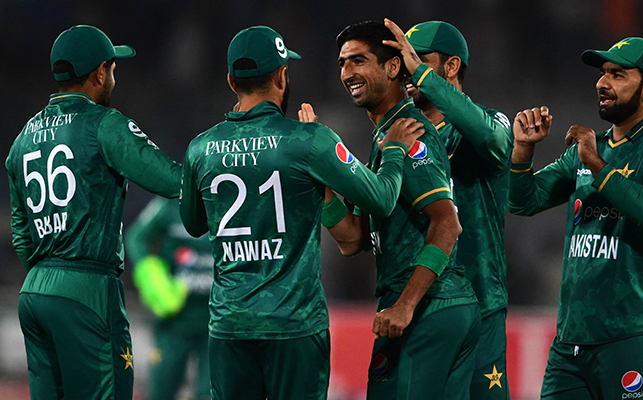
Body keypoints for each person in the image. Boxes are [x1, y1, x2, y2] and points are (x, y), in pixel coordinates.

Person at [179, 25, 423, 400]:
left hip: (229, 325)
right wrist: (393, 151)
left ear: (231, 81)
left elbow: (193, 224)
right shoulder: (308, 141)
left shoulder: (200, 148)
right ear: (281, 75)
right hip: (294, 325)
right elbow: (383, 198)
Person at [508, 38, 643, 400]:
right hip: (571, 339)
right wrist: (523, 150)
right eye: (603, 73)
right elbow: (523, 201)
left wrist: (596, 164)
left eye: (618, 74)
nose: (601, 82)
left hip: (634, 335)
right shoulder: (594, 147)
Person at [6, 25, 182, 399]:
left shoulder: (23, 136)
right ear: (100, 72)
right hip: (87, 291)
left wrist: (49, 274)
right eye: (112, 69)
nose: (113, 78)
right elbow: (171, 181)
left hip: (35, 292)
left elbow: (21, 230)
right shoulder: (105, 124)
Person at [326, 20, 481, 400]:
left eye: (359, 61)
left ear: (393, 68)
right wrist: (324, 185)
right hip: (426, 304)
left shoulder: (411, 133)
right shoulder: (384, 139)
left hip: (428, 303)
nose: (347, 73)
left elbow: (447, 223)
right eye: (343, 63)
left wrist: (405, 306)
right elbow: (353, 240)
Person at [383, 19, 513, 399]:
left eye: (417, 59)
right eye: (402, 61)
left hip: (479, 300)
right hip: (416, 303)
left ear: (451, 67)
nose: (406, 69)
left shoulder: (487, 125)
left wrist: (421, 75)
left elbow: (493, 137)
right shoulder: (401, 136)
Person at [125, 197, 213, 400]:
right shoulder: (171, 201)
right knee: (161, 391)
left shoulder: (228, 198)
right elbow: (136, 237)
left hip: (215, 322)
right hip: (173, 322)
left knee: (211, 394)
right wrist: (150, 274)